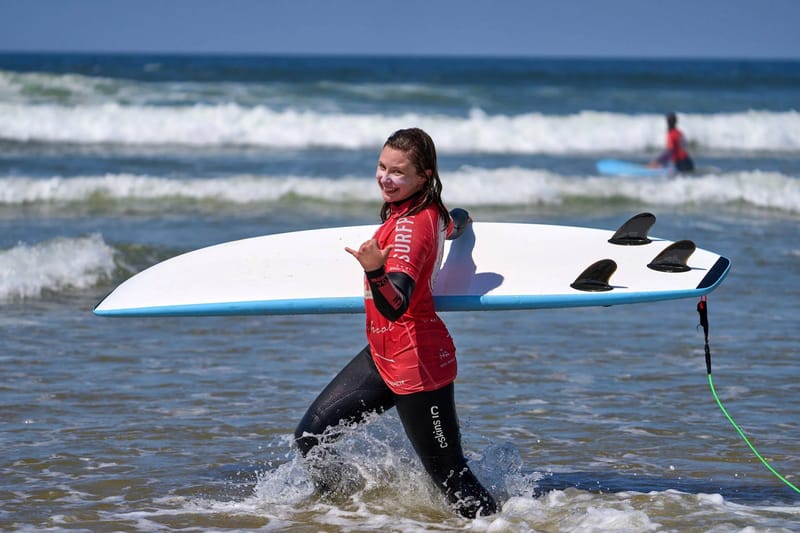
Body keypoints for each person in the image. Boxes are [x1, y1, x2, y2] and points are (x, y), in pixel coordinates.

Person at [293, 127, 497, 519]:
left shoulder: (407, 229)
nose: (385, 178)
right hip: (385, 353)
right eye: (382, 166)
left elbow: (395, 302)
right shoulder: (423, 209)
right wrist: (463, 221)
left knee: (453, 480)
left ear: (424, 176)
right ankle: (344, 512)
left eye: (397, 172)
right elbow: (450, 223)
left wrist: (374, 270)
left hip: (417, 362)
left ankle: (504, 526)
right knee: (311, 437)